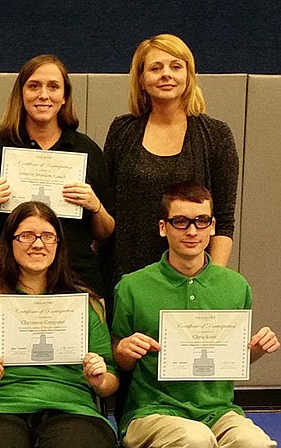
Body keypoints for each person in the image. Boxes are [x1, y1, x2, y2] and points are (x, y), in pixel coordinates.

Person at [112, 181, 278, 448]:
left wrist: (256, 350)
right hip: (152, 412)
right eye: (180, 221)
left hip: (219, 412)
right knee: (195, 439)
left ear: (212, 226)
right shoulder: (132, 286)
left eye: (201, 221)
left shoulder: (236, 286)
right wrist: (123, 349)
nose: (192, 231)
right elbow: (117, 359)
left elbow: (231, 358)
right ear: (163, 227)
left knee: (255, 443)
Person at [0, 54, 114, 300]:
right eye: (34, 86)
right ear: (21, 94)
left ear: (64, 97)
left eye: (53, 87)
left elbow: (106, 232)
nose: (43, 95)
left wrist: (95, 206)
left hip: (73, 281)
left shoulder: (86, 150)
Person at [0, 201, 118, 448]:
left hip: (71, 408)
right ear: (9, 243)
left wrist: (99, 379)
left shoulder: (85, 304)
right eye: (26, 236)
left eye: (47, 236)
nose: (37, 244)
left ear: (59, 245)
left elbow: (110, 382)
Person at [103, 33, 239, 290]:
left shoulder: (216, 135)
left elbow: (223, 220)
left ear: (188, 76)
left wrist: (210, 284)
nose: (166, 74)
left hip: (191, 280)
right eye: (156, 68)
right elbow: (107, 210)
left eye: (176, 66)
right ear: (142, 79)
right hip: (125, 276)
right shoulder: (122, 130)